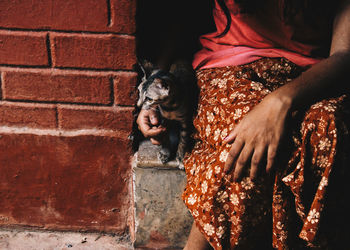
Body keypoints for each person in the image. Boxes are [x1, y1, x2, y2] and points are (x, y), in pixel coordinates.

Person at [137, 0, 350, 249]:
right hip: (230, 68)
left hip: (310, 76)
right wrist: (153, 94)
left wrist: (279, 102)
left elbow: (344, 55)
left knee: (328, 129)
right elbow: (176, 20)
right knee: (246, 148)